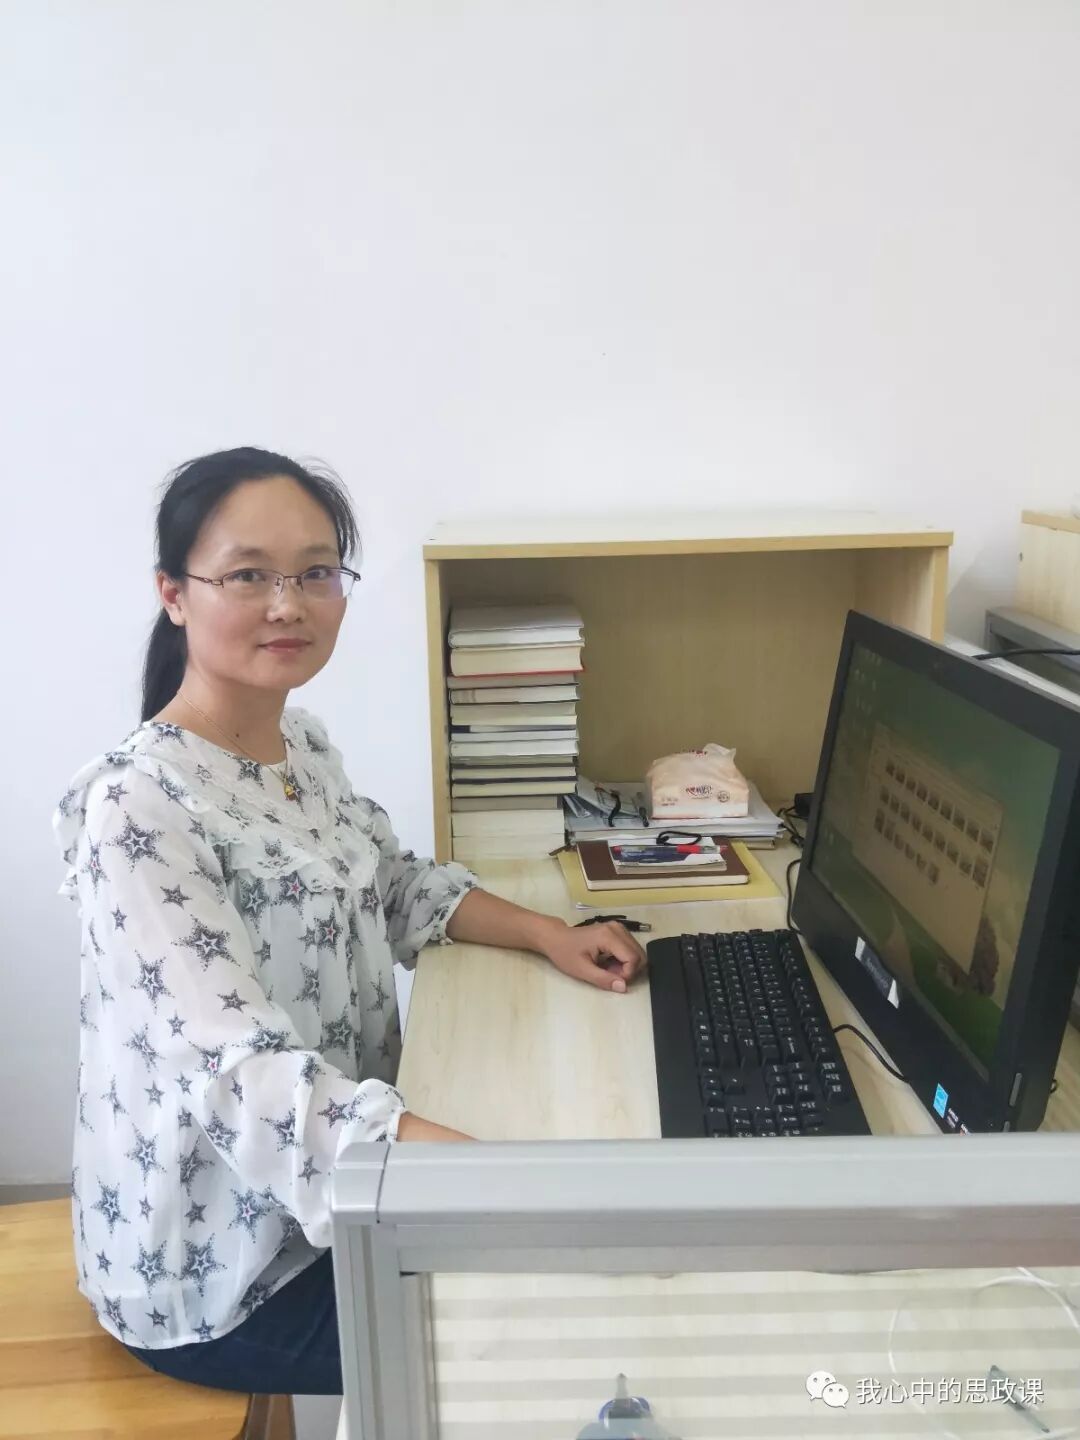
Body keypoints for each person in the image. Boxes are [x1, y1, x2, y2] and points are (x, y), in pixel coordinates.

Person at [53, 446, 646, 1396]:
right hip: (226, 1270)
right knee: (570, 1321)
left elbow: (391, 884)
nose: (288, 604)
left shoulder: (300, 745)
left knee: (593, 1251)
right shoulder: (138, 809)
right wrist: (498, 1178)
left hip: (347, 1179)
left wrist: (550, 934)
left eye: (316, 573)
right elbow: (245, 1081)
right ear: (174, 594)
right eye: (249, 575)